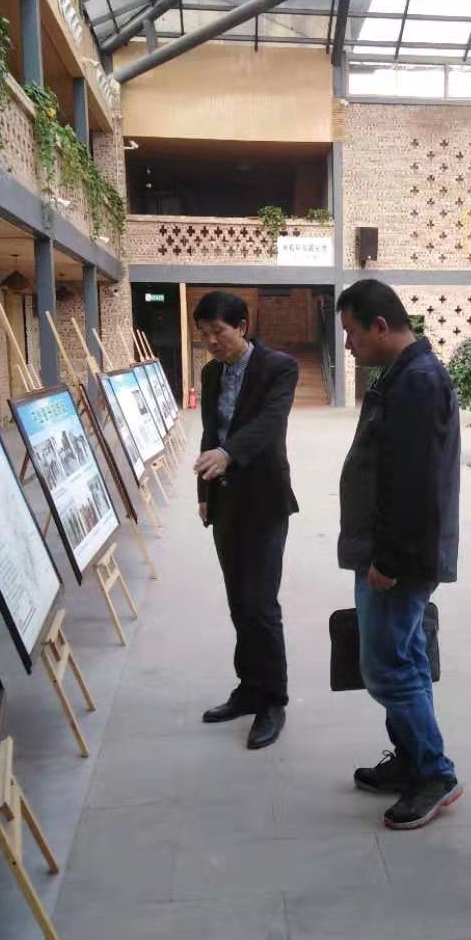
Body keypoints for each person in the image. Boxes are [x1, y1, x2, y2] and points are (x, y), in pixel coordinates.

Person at [337, 278, 462, 830]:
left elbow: (415, 484)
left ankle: (435, 773)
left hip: (398, 557)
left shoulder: (419, 381)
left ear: (381, 325)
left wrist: (389, 559)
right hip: (389, 549)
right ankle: (413, 759)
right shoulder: (403, 374)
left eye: (352, 333)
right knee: (404, 657)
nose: (348, 345)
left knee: (386, 667)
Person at [193, 291, 299, 750]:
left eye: (218, 331)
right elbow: (210, 432)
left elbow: (270, 423)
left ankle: (273, 699)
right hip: (225, 500)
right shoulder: (211, 373)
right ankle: (249, 688)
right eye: (203, 334)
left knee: (260, 603)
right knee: (239, 601)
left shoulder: (279, 367)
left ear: (241, 326)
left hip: (265, 501)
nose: (211, 342)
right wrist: (205, 493)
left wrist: (229, 453)